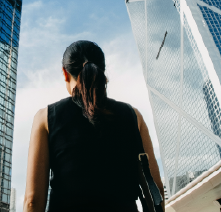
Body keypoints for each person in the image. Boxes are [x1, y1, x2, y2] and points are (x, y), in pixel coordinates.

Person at [23, 40, 165, 212]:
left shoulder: (45, 118)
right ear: (102, 71)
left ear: (65, 73)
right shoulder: (133, 115)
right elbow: (154, 189)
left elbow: (33, 201)